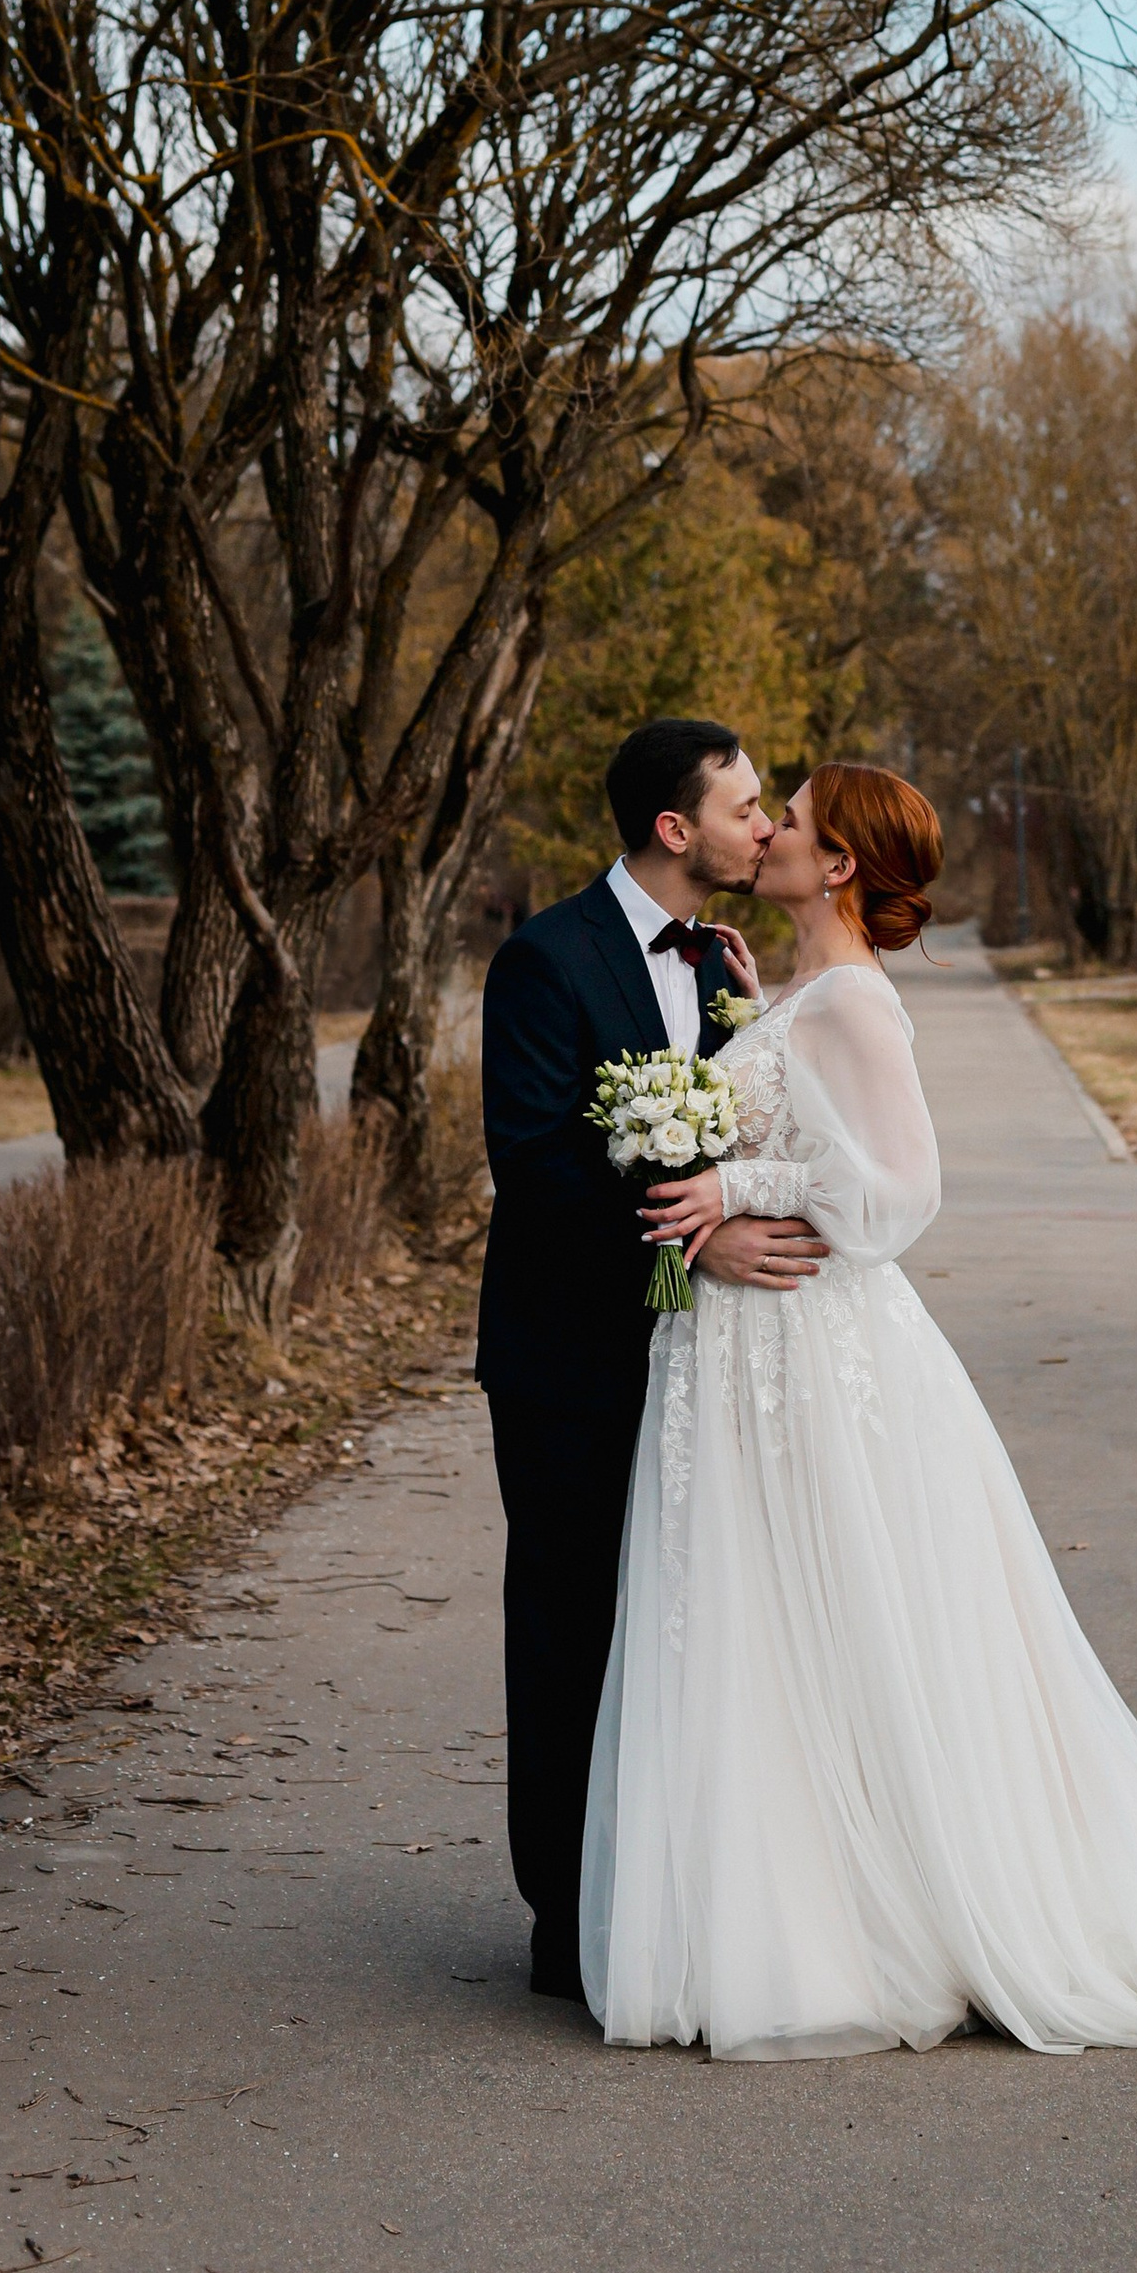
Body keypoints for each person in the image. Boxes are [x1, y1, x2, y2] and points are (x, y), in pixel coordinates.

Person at [580, 760, 1137, 2056]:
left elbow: (900, 1196)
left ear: (838, 862)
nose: (769, 830)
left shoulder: (855, 1002)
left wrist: (731, 1191)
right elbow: (800, 1111)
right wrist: (747, 1017)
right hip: (746, 1354)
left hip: (814, 1354)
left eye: (789, 818)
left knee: (835, 1615)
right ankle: (790, 1916)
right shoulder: (801, 990)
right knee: (769, 1624)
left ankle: (871, 1918)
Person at [476, 717, 818, 1999]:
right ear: (676, 830)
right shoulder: (543, 960)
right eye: (743, 807)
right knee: (570, 1629)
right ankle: (566, 1920)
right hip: (568, 1356)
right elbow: (539, 1166)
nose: (763, 826)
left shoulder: (728, 964)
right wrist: (699, 1236)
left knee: (682, 1626)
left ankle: (667, 1898)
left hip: (703, 1364)